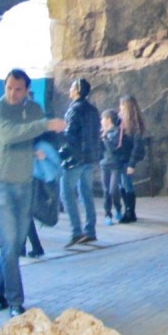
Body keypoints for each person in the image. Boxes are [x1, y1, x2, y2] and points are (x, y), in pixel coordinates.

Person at [0, 68, 65, 317]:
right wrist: (43, 125)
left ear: (27, 90)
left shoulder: (34, 110)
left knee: (15, 244)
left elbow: (36, 136)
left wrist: (41, 148)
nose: (12, 93)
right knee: (9, 243)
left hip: (25, 182)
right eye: (9, 87)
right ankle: (15, 301)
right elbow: (8, 135)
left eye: (18, 89)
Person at [59, 78, 102, 247]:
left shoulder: (74, 110)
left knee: (66, 192)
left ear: (77, 90)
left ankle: (76, 231)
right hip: (90, 157)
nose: (69, 89)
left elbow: (69, 135)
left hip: (75, 159)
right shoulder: (93, 110)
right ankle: (90, 230)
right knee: (86, 193)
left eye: (72, 87)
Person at [115, 95, 146, 224]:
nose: (120, 108)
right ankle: (127, 210)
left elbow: (137, 146)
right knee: (122, 184)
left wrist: (132, 164)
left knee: (127, 184)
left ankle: (130, 212)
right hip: (121, 158)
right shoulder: (120, 121)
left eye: (122, 105)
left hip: (128, 159)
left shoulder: (135, 125)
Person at [99, 109, 125, 224]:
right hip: (104, 164)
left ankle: (118, 208)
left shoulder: (116, 132)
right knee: (106, 190)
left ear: (108, 120)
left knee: (113, 189)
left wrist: (104, 137)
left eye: (103, 118)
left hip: (115, 164)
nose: (101, 121)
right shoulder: (101, 132)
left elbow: (112, 147)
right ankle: (107, 214)